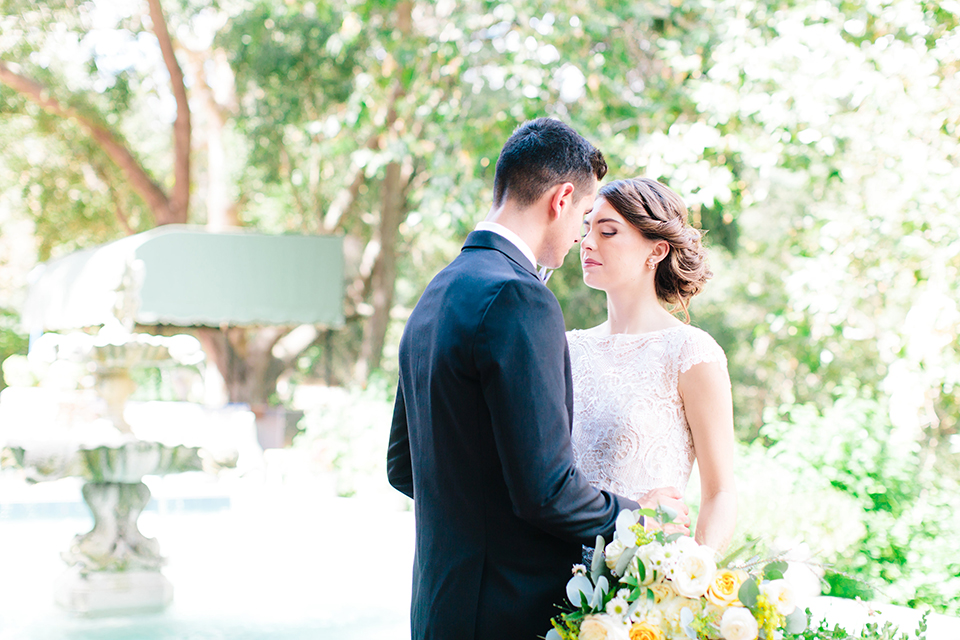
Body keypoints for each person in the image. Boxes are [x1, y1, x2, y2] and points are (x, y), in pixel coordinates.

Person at [387, 119, 689, 640]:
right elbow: (546, 492)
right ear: (562, 198)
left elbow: (403, 466)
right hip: (507, 614)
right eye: (584, 217)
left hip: (439, 609)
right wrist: (646, 519)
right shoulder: (519, 297)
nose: (581, 236)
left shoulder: (436, 293)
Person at [570, 176, 737, 551]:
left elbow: (721, 493)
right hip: (553, 578)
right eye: (586, 229)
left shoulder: (691, 353)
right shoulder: (566, 349)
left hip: (644, 583)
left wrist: (691, 580)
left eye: (608, 232)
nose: (588, 243)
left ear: (657, 251)